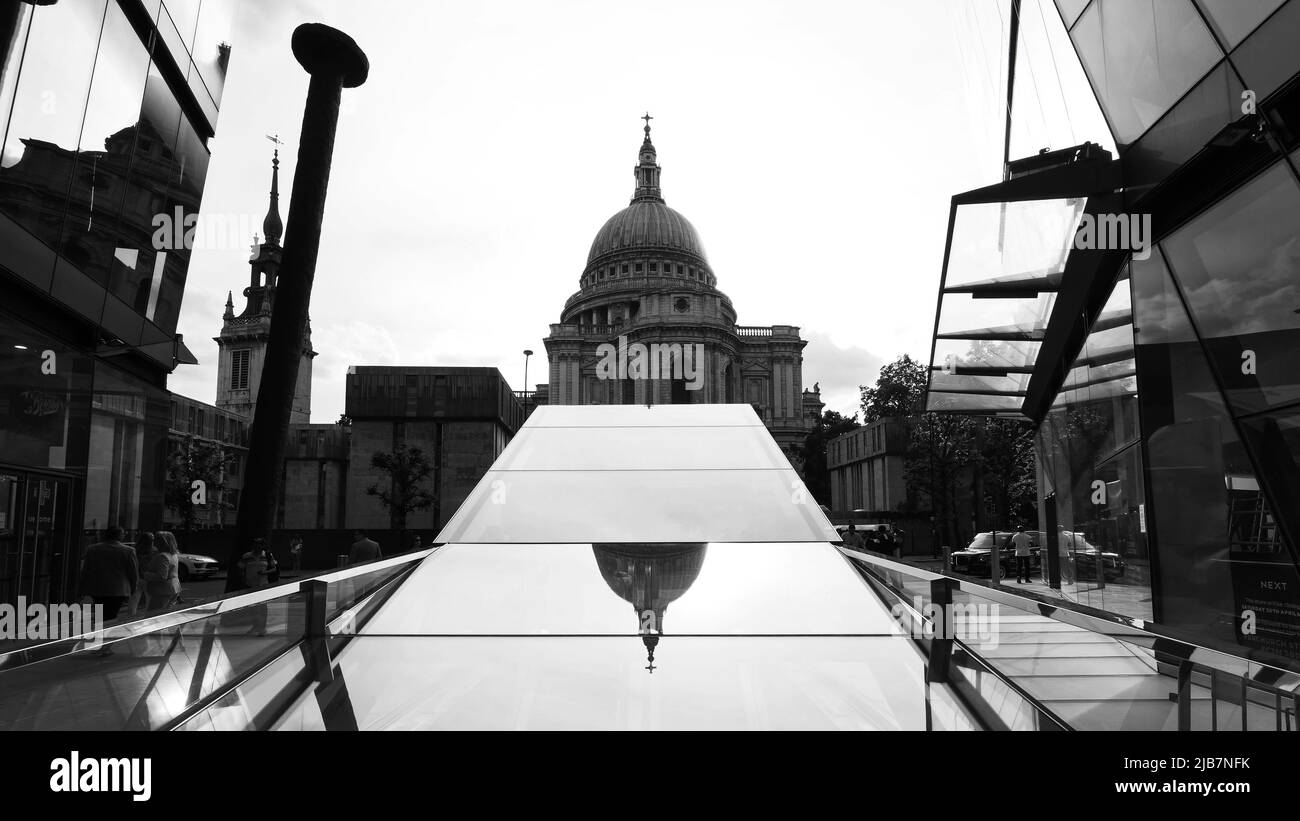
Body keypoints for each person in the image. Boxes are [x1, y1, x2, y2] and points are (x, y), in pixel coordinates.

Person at [78, 526, 138, 623]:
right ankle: (106, 634)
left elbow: (86, 570)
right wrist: (133, 589)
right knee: (111, 615)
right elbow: (133, 573)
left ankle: (99, 633)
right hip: (118, 590)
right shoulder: (128, 551)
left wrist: (82, 589)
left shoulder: (92, 549)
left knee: (100, 615)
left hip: (98, 589)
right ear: (120, 536)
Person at [238, 537, 272, 635]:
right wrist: (243, 579)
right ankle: (255, 627)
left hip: (263, 585)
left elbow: (274, 568)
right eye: (256, 544)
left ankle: (262, 628)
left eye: (260, 544)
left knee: (263, 607)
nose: (258, 546)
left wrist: (265, 572)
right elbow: (240, 568)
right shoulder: (246, 556)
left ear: (263, 546)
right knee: (253, 607)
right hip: (250, 585)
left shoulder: (268, 555)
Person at [144, 531, 183, 610]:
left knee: (154, 616)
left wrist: (145, 574)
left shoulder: (162, 556)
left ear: (163, 542)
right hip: (174, 587)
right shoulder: (173, 554)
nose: (154, 541)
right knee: (166, 615)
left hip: (163, 590)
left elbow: (161, 576)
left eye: (157, 539)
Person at [127, 532, 154, 616]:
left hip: (137, 576)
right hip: (148, 577)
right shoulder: (154, 551)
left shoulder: (135, 550)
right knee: (149, 600)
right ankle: (148, 618)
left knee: (133, 600)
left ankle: (130, 618)